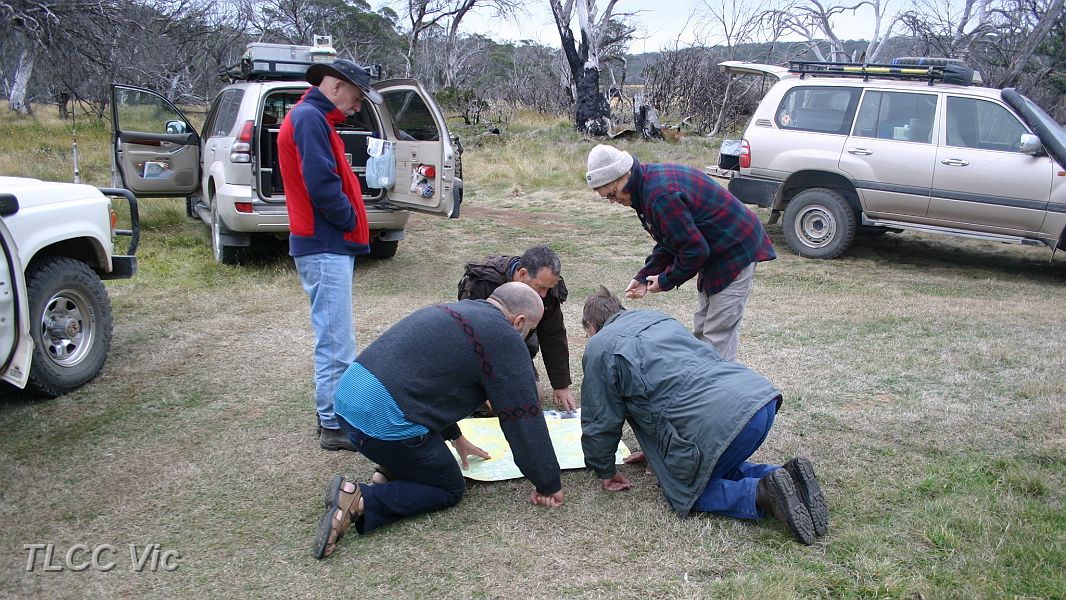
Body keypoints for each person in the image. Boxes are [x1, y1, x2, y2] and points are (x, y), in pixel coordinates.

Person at [313, 282, 565, 559]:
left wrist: (455, 436)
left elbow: (432, 385)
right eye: (531, 330)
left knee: (413, 443)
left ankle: (393, 471)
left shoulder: (456, 310)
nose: (527, 337)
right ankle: (359, 499)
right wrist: (548, 483)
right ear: (519, 322)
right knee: (448, 488)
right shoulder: (504, 337)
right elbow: (523, 418)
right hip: (378, 423)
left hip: (347, 402)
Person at [579, 287, 828, 545]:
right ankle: (786, 477)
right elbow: (664, 386)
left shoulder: (600, 345)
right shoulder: (656, 318)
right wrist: (655, 452)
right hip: (759, 401)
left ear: (591, 327)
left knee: (688, 491)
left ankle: (761, 493)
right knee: (711, 467)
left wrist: (605, 470)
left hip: (722, 422)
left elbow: (601, 419)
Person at [277, 59, 384, 452]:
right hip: (323, 243)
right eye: (355, 98)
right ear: (336, 86)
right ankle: (333, 424)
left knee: (336, 336)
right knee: (336, 340)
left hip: (326, 243)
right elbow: (321, 184)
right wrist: (349, 218)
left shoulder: (315, 118)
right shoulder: (310, 118)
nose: (356, 107)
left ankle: (333, 416)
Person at [585, 144, 776, 361]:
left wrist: (665, 280)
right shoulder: (644, 189)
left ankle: (716, 380)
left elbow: (694, 251)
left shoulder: (659, 195)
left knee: (717, 338)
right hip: (715, 250)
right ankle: (702, 373)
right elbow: (670, 239)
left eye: (612, 193)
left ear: (625, 175)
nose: (613, 201)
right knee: (702, 328)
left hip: (735, 249)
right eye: (607, 197)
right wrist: (645, 275)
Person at [457, 245, 577, 412]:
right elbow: (467, 338)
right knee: (478, 399)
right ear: (522, 274)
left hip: (516, 347)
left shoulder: (547, 287)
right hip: (480, 351)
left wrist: (561, 384)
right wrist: (486, 389)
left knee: (532, 396)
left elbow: (553, 336)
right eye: (540, 288)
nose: (544, 294)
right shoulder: (484, 283)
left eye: (548, 289)